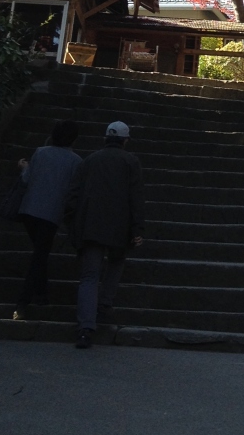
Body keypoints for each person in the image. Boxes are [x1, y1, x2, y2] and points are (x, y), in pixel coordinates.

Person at [65, 119, 145, 349]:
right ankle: (105, 303)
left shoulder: (90, 160)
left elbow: (73, 194)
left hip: (90, 225)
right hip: (120, 226)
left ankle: (85, 328)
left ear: (105, 138)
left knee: (89, 276)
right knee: (116, 262)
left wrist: (72, 223)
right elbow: (136, 197)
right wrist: (137, 228)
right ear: (125, 141)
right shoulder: (131, 161)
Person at [12, 120, 81, 320]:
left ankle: (41, 293)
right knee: (40, 254)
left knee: (40, 252)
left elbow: (27, 179)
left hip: (29, 210)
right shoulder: (76, 161)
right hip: (51, 214)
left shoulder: (40, 152)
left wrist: (24, 167)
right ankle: (23, 300)